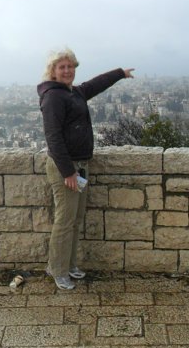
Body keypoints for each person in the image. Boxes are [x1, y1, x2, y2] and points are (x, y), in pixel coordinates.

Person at [38, 48, 134, 289]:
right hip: (66, 168)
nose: (67, 70)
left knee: (75, 220)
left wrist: (120, 73)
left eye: (70, 66)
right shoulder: (53, 97)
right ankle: (57, 270)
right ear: (53, 71)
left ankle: (69, 265)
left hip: (80, 165)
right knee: (64, 221)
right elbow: (53, 137)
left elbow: (94, 85)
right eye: (62, 67)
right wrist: (68, 172)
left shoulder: (73, 92)